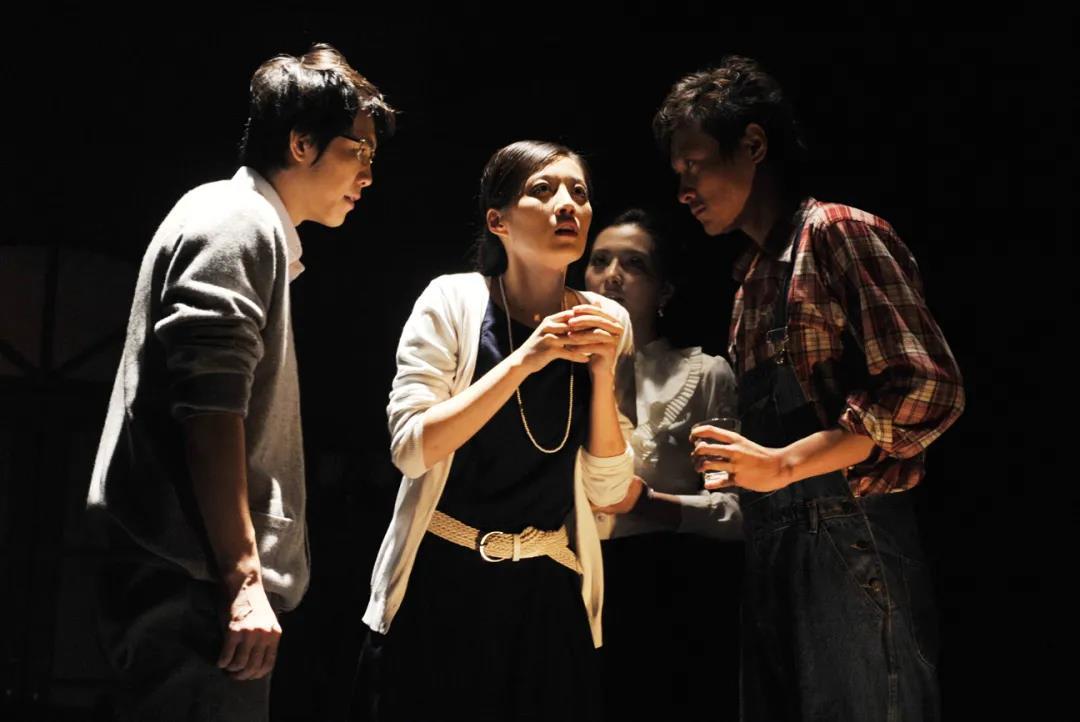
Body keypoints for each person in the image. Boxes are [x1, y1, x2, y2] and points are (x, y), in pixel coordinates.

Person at [86, 43, 394, 721]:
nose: (368, 175)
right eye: (359, 152)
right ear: (302, 143)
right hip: (194, 585)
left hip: (192, 580)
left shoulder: (242, 223)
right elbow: (211, 408)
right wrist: (244, 576)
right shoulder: (237, 220)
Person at [654, 55, 965, 721]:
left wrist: (785, 463)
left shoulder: (837, 232)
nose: (683, 189)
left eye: (695, 164)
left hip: (850, 543)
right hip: (774, 554)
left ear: (753, 144)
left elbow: (927, 385)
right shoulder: (750, 279)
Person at [362, 140, 635, 721]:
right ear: (498, 221)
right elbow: (411, 449)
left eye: (579, 192)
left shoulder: (608, 321)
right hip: (442, 580)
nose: (568, 204)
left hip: (547, 592)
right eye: (543, 190)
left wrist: (603, 372)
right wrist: (525, 360)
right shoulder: (452, 299)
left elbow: (610, 491)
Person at [584, 208, 743, 721]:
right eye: (600, 261)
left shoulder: (704, 374)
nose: (612, 276)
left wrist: (647, 503)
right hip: (574, 579)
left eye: (634, 264)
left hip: (671, 585)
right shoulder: (555, 374)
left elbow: (735, 512)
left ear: (664, 290)